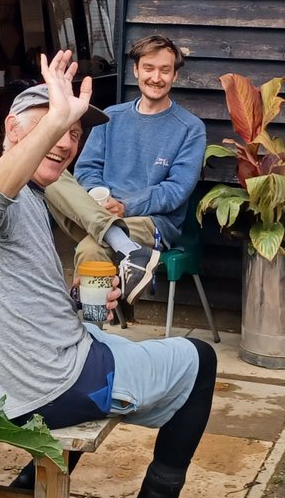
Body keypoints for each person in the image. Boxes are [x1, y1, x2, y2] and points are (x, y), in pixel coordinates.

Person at [0, 52, 218, 498]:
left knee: (107, 341)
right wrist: (54, 121)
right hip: (48, 386)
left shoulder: (32, 196)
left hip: (10, 378)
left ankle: (31, 490)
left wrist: (78, 301)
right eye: (54, 126)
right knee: (201, 361)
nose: (68, 141)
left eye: (74, 132)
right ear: (12, 128)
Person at [71, 34, 207, 310]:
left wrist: (125, 206)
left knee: (90, 249)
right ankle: (126, 251)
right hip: (99, 211)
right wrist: (103, 201)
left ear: (174, 75)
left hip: (153, 223)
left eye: (164, 70)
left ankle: (91, 327)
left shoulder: (190, 128)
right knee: (54, 178)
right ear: (136, 70)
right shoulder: (110, 116)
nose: (156, 77)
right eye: (149, 68)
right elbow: (86, 169)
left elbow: (175, 190)